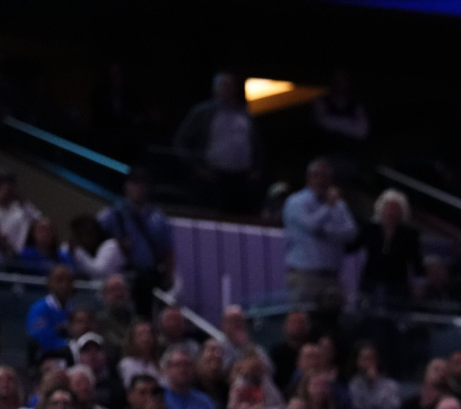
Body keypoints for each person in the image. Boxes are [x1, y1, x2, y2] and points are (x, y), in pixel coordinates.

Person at [172, 72, 261, 212]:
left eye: (230, 85)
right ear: (215, 88)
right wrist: (196, 168)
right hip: (213, 179)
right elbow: (181, 141)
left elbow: (256, 145)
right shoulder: (203, 112)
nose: (227, 89)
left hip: (242, 179)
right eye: (223, 85)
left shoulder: (245, 114)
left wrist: (256, 169)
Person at [97, 169, 174, 316]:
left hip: (149, 276)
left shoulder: (158, 217)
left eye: (142, 184)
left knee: (146, 314)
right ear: (126, 186)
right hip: (121, 274)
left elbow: (168, 249)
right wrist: (117, 243)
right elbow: (94, 235)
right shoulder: (114, 213)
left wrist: (168, 276)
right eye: (134, 183)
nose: (138, 188)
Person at [282, 158, 358, 306]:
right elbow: (312, 226)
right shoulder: (296, 202)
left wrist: (328, 231)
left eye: (325, 176)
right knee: (303, 321)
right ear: (309, 178)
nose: (322, 180)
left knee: (332, 324)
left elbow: (351, 232)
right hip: (304, 276)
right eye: (317, 176)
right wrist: (328, 207)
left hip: (332, 278)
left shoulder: (339, 205)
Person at [25, 264, 74, 353]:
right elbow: (43, 340)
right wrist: (73, 345)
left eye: (69, 280)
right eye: (60, 280)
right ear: (49, 282)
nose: (65, 285)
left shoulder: (73, 309)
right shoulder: (39, 309)